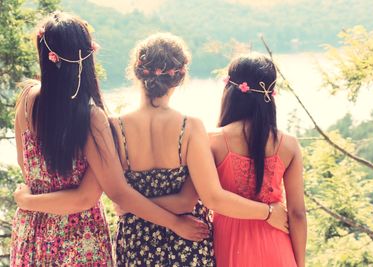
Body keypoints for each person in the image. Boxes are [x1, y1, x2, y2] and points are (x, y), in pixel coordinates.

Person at [14, 33, 289, 266]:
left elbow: (119, 199)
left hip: (135, 241)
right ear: (180, 77)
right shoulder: (190, 127)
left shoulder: (113, 127)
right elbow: (187, 201)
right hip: (188, 242)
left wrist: (129, 206)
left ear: (137, 72)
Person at [11, 13, 210, 266]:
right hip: (78, 240)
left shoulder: (27, 101)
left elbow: (23, 163)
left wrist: (28, 201)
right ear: (88, 54)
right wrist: (175, 223)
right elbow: (95, 196)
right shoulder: (91, 117)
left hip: (32, 231)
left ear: (44, 53)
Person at [210, 53, 307, 267]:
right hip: (277, 247)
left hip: (229, 247)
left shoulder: (213, 141)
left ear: (230, 91)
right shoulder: (289, 145)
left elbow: (206, 198)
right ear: (271, 95)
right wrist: (299, 264)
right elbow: (297, 213)